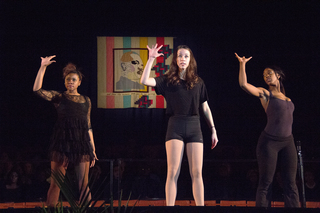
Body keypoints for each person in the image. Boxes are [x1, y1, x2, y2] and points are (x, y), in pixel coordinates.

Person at [140, 44, 218, 206]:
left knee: (197, 173)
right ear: (175, 59)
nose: (183, 59)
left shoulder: (198, 82)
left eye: (186, 56)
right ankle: (169, 207)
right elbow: (144, 80)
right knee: (172, 171)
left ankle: (200, 207)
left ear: (191, 60)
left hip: (194, 126)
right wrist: (151, 59)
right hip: (175, 125)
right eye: (180, 56)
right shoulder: (168, 79)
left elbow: (205, 107)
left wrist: (213, 129)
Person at [235, 53, 299, 208]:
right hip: (269, 142)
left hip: (288, 142)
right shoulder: (266, 94)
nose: (266, 77)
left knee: (291, 183)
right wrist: (242, 64)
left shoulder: (286, 97)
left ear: (278, 75)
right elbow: (244, 85)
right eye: (264, 75)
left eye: (269, 74)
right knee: (266, 182)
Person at [33, 55, 98, 206]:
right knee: (56, 183)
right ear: (64, 82)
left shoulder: (86, 100)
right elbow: (37, 90)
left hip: (81, 143)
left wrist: (92, 149)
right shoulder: (59, 97)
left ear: (79, 82)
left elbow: (88, 125)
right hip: (62, 142)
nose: (70, 82)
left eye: (74, 79)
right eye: (68, 79)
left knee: (84, 184)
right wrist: (43, 67)